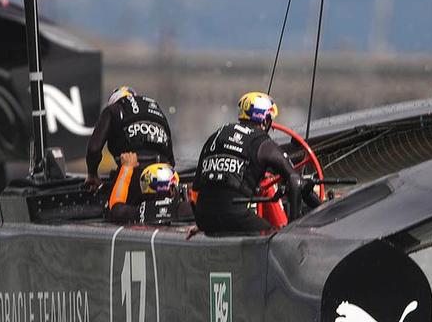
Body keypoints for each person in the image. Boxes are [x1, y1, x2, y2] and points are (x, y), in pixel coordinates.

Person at [191, 91, 315, 235]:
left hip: (203, 219)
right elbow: (295, 181)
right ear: (265, 121)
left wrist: (202, 224)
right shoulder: (263, 143)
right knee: (271, 232)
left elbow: (196, 189)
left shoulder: (216, 135)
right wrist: (293, 230)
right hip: (235, 217)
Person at [84, 86, 175, 209]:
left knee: (114, 210)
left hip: (133, 171)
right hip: (164, 175)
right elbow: (171, 159)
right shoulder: (156, 109)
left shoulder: (113, 110)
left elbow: (93, 149)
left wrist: (92, 174)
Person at [105, 153, 179, 225]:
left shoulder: (144, 211)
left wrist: (126, 168)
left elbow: (116, 209)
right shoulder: (182, 209)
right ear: (173, 189)